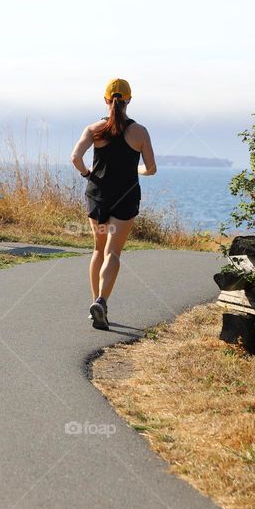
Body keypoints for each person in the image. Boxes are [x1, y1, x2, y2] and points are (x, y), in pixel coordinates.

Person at [70, 78, 156, 330]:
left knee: (98, 250)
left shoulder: (94, 129)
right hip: (125, 198)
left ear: (106, 100)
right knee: (113, 252)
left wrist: (87, 174)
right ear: (128, 100)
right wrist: (137, 170)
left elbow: (75, 158)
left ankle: (95, 304)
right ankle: (102, 301)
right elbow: (151, 168)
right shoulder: (140, 132)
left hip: (98, 196)